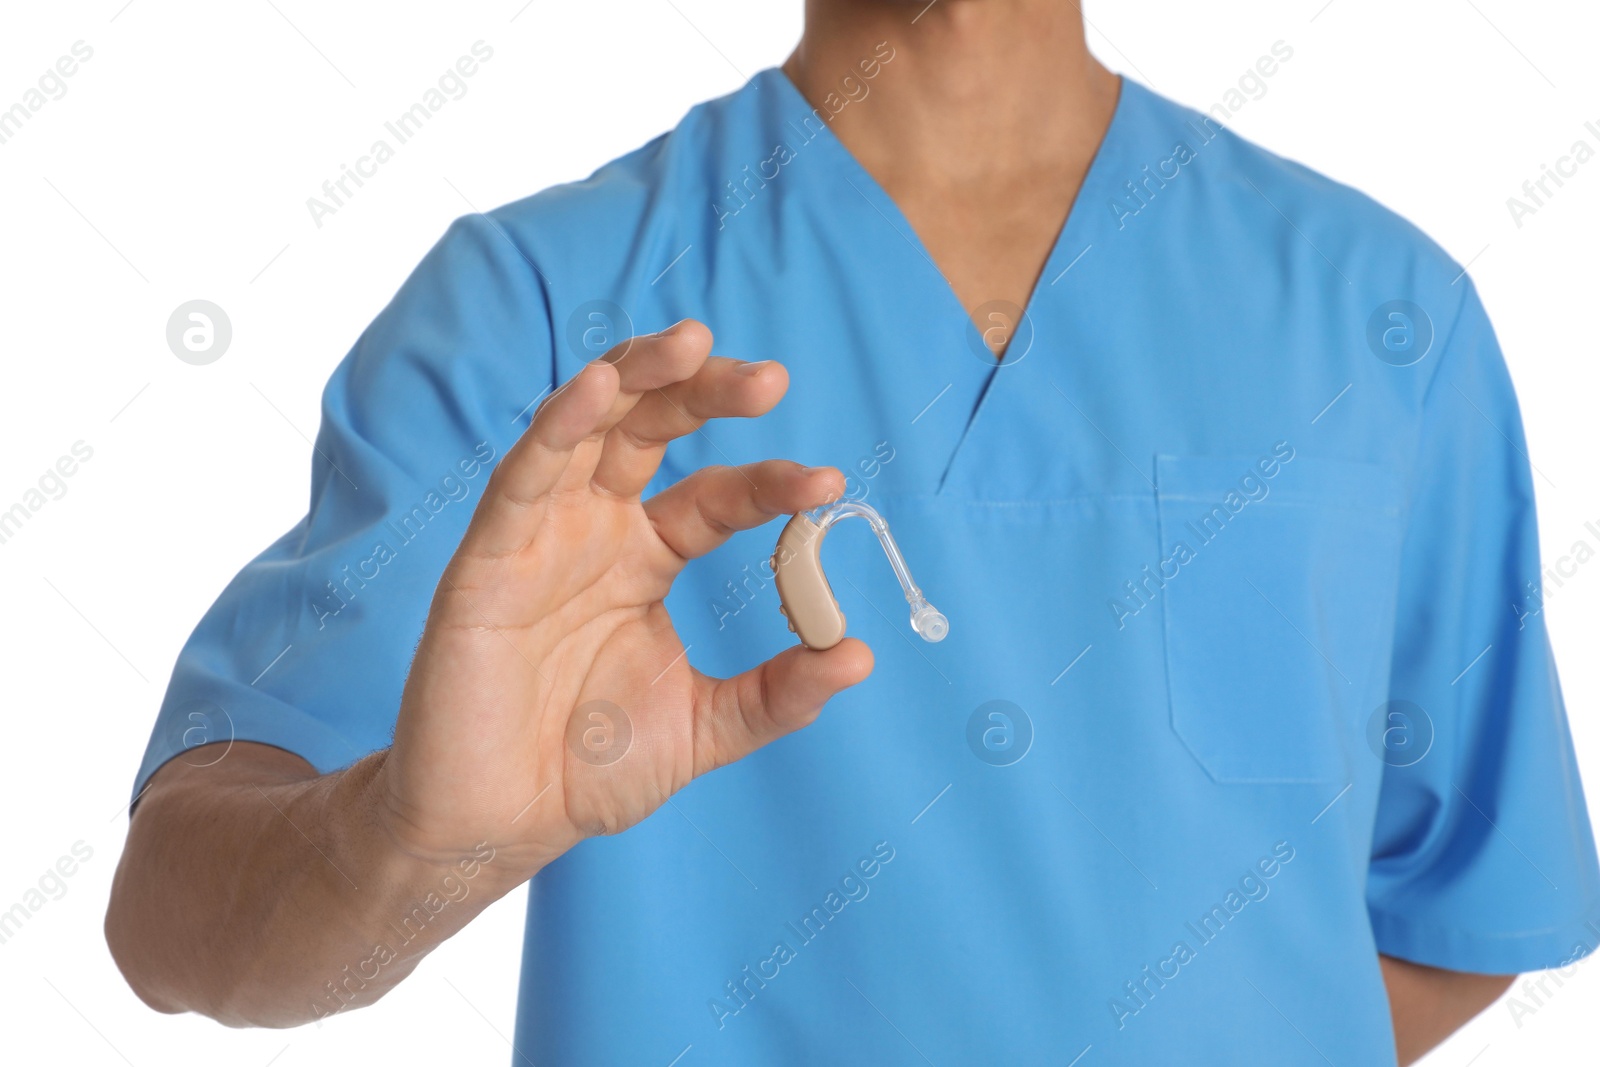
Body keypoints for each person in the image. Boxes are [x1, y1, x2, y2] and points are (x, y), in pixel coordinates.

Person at [105, 2, 1600, 1064]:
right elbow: (173, 921)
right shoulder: (542, 321)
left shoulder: (1383, 320)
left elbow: (1467, 900)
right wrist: (401, 847)